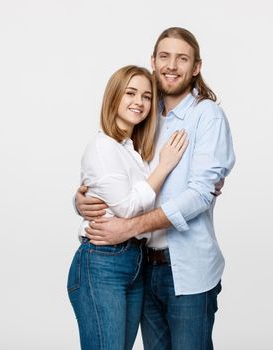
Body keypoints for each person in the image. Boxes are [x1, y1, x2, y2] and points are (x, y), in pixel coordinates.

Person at [76, 27, 235, 350]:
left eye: (182, 58)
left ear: (196, 67)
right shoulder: (145, 113)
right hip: (142, 267)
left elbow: (200, 195)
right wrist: (82, 199)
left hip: (188, 270)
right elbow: (115, 170)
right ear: (153, 61)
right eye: (164, 56)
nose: (172, 65)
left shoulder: (207, 116)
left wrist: (130, 226)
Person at [67, 65, 188, 350]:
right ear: (114, 97)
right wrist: (166, 165)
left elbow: (144, 197)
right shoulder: (104, 146)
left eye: (147, 96)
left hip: (134, 261)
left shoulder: (133, 150)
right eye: (131, 93)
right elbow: (128, 207)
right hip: (102, 262)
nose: (140, 102)